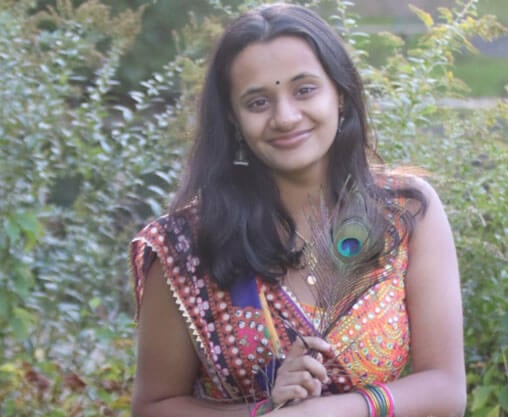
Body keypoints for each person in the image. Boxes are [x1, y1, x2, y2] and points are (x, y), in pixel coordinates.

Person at [129, 3, 466, 417]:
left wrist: (329, 412)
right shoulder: (187, 245)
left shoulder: (405, 211)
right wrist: (263, 411)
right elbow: (153, 408)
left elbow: (446, 390)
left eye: (304, 89)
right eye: (257, 102)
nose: (286, 117)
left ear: (339, 94)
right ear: (233, 120)